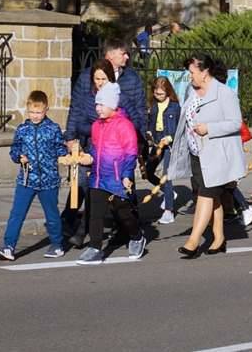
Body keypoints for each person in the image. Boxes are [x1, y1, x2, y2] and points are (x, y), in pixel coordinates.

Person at [168, 54, 248, 258]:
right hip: (196, 152)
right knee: (212, 198)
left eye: (192, 72)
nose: (189, 76)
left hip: (216, 155)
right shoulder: (190, 91)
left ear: (205, 72)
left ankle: (193, 241)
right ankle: (219, 237)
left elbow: (235, 123)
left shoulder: (224, 93)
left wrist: (209, 128)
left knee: (205, 195)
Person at [0, 91, 68, 261]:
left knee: (52, 215)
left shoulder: (53, 129)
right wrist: (19, 157)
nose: (35, 116)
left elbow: (60, 149)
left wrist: (67, 155)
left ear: (46, 109)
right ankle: (9, 246)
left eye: (38, 112)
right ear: (27, 110)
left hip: (49, 180)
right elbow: (14, 149)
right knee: (17, 213)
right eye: (32, 112)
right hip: (26, 179)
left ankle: (57, 244)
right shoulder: (22, 129)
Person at [75, 83, 146, 264]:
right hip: (98, 177)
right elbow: (95, 150)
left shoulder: (125, 126)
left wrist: (126, 175)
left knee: (124, 213)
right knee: (95, 213)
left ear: (112, 105)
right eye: (97, 105)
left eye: (101, 105)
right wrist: (88, 158)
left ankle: (137, 236)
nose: (97, 109)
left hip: (116, 177)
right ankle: (95, 247)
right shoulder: (96, 126)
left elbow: (131, 152)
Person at [60, 58, 116, 247]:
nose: (99, 82)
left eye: (103, 78)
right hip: (86, 145)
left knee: (97, 191)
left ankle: (84, 229)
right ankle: (69, 219)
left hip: (106, 149)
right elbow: (76, 114)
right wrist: (70, 136)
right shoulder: (87, 96)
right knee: (81, 184)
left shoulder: (115, 97)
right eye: (97, 78)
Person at [148, 77, 180, 224]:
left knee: (166, 176)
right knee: (148, 171)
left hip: (169, 145)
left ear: (168, 92)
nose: (158, 96)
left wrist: (170, 138)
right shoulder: (154, 106)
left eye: (161, 94)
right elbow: (151, 124)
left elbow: (180, 128)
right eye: (156, 93)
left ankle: (169, 210)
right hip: (157, 142)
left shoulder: (175, 107)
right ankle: (169, 194)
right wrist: (149, 133)